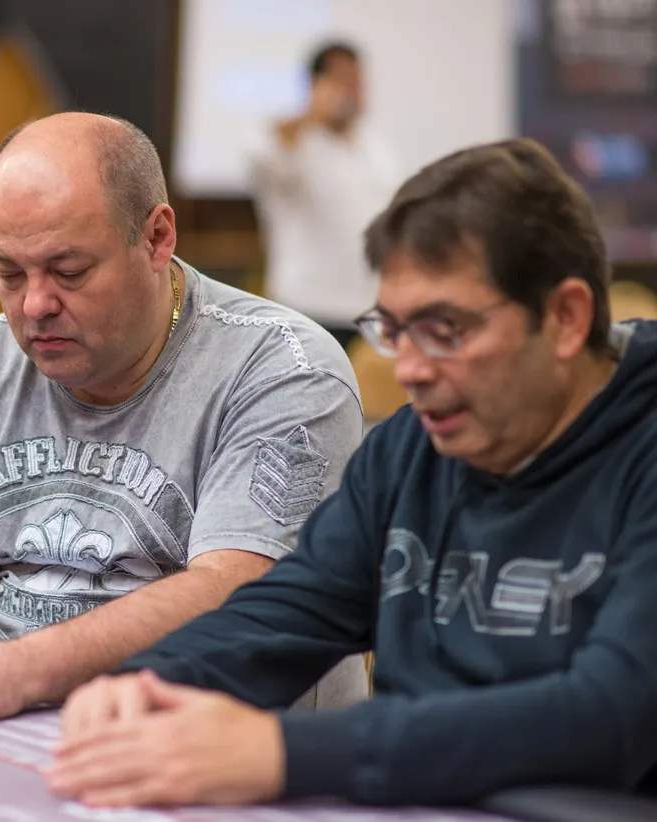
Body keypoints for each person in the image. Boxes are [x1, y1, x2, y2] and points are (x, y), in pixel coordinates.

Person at [46, 136, 657, 809]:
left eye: (446, 330)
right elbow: (288, 612)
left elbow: (611, 715)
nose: (410, 370)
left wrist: (282, 753)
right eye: (394, 330)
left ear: (566, 318)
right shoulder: (409, 450)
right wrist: (148, 683)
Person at [0, 111, 371, 729]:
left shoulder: (283, 368)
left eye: (69, 271)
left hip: (225, 748)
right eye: (8, 272)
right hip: (9, 732)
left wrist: (17, 670)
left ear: (157, 238)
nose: (35, 304)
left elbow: (239, 600)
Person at [248, 40, 399, 350]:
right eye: (341, 80)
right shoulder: (290, 143)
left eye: (357, 79)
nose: (352, 90)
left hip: (368, 311)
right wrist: (308, 117)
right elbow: (266, 160)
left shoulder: (376, 148)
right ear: (317, 85)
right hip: (306, 309)